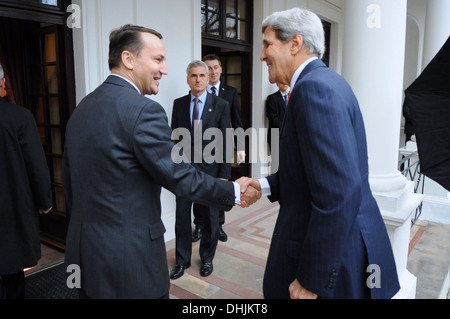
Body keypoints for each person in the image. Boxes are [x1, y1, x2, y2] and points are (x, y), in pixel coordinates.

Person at [62, 25, 259, 299]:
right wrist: (234, 191)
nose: (164, 69)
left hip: (84, 256)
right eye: (158, 59)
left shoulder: (81, 108)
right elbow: (180, 176)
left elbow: (71, 184)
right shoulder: (143, 110)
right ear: (129, 60)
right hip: (131, 262)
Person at [238, 8, 400, 299]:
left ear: (295, 44)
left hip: (334, 260)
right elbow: (312, 174)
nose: (261, 55)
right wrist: (262, 185)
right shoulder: (326, 82)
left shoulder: (314, 90)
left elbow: (339, 192)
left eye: (267, 44)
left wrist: (312, 279)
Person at [170, 60, 231, 280]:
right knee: (182, 217)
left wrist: (224, 175)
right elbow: (174, 139)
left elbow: (226, 141)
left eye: (202, 76)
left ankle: (207, 258)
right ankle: (182, 261)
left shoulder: (221, 105)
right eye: (193, 75)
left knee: (211, 217)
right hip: (184, 173)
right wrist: (173, 170)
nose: (198, 80)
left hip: (211, 173)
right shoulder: (178, 104)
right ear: (188, 79)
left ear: (208, 78)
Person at [0, 64, 52, 299]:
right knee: (13, 279)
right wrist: (45, 200)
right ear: (2, 84)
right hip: (11, 209)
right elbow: (36, 165)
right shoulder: (19, 117)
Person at [191, 54, 246, 243]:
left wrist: (240, 146)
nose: (213, 71)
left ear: (221, 69)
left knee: (219, 188)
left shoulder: (230, 92)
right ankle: (199, 225)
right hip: (198, 152)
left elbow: (237, 122)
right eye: (209, 68)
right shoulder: (198, 90)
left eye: (216, 67)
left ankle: (218, 225)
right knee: (199, 190)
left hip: (221, 149)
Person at [266, 82, 289, 174]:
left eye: (286, 81)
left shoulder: (294, 97)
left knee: (289, 164)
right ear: (277, 84)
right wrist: (288, 127)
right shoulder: (272, 98)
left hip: (290, 137)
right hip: (276, 136)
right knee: (276, 165)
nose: (284, 83)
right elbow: (272, 118)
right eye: (281, 82)